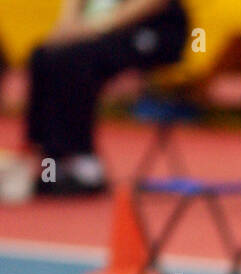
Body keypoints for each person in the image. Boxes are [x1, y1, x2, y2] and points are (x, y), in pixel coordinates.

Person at [25, 0, 189, 197]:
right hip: (99, 28)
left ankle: (86, 163)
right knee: (44, 55)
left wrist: (95, 27)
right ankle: (50, 161)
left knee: (77, 58)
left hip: (151, 28)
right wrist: (66, 25)